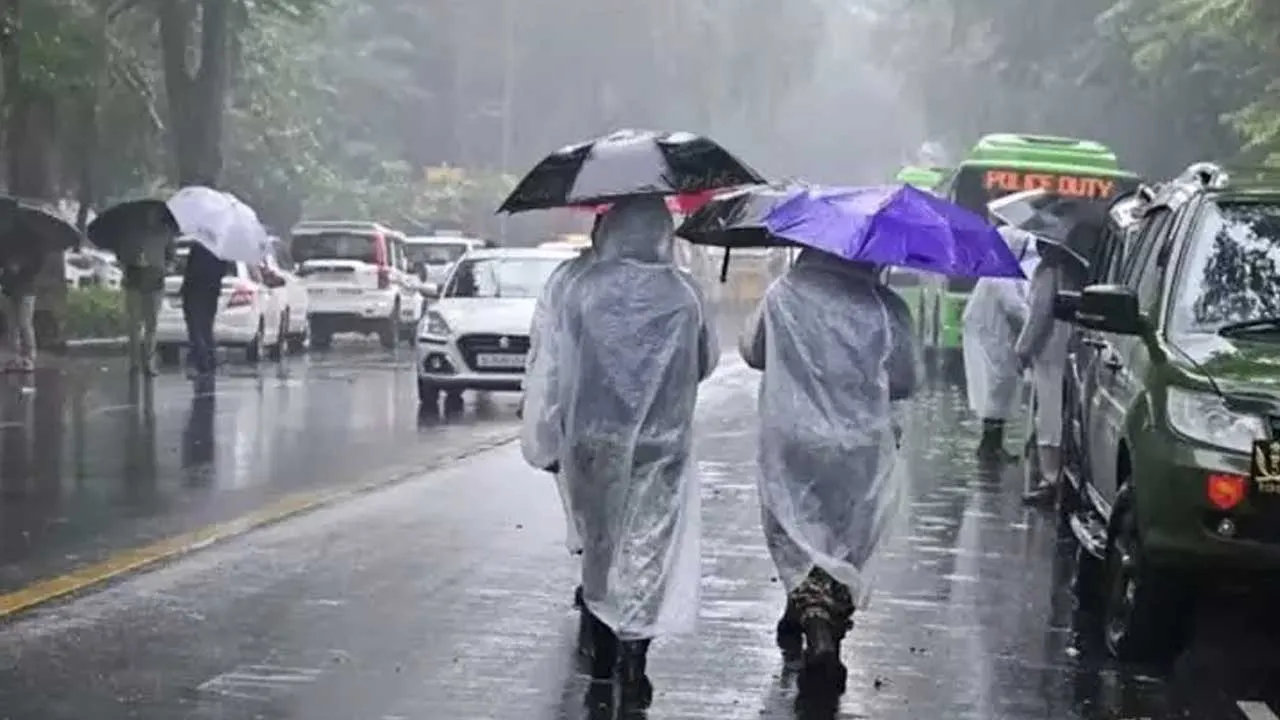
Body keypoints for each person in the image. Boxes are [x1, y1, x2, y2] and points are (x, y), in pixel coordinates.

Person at [553, 196, 716, 709]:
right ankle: (636, 651)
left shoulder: (584, 291)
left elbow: (564, 365)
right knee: (647, 545)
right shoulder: (683, 295)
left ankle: (601, 644)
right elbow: (704, 362)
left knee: (601, 540)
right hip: (660, 446)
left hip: (594, 440)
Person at [739, 249, 918, 699]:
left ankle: (814, 624)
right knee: (843, 540)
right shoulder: (885, 305)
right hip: (859, 444)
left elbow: (754, 352)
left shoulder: (784, 294)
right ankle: (827, 632)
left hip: (793, 437)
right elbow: (906, 378)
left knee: (796, 532)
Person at [520, 215, 602, 607]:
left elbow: (546, 354)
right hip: (656, 437)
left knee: (591, 514)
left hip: (581, 424)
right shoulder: (674, 286)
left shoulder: (569, 281)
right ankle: (633, 639)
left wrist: (543, 420)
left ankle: (596, 594)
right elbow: (700, 360)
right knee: (638, 525)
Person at [1017, 222, 1092, 504]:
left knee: (1048, 414)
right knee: (1066, 412)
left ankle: (1050, 480)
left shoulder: (1048, 272)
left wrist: (1022, 349)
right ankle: (1065, 474)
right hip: (1075, 349)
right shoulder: (1078, 271)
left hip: (1050, 351)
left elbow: (1039, 316)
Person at [961, 226, 1037, 463]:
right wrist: (1036, 324)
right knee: (996, 391)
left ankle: (992, 445)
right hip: (992, 341)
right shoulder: (1001, 275)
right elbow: (1015, 308)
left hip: (995, 339)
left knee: (998, 392)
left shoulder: (1001, 271)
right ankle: (990, 447)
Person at [120, 229, 176, 376]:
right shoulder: (131, 236)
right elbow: (121, 257)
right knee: (134, 325)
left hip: (155, 285)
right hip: (134, 284)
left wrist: (165, 268)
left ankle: (149, 364)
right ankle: (134, 363)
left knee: (151, 325)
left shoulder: (165, 235)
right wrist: (132, 260)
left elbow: (171, 260)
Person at [0, 242, 48, 373]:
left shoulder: (33, 247)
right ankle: (14, 358)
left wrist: (21, 266)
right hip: (10, 290)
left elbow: (37, 266)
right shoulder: (6, 245)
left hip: (26, 291)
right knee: (12, 326)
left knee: (24, 323)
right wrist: (7, 268)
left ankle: (29, 358)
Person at [181, 241, 226, 375]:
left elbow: (190, 269)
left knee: (195, 327)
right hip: (212, 292)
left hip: (194, 291)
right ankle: (209, 358)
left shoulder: (198, 246)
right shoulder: (221, 250)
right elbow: (222, 271)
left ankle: (202, 359)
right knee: (206, 327)